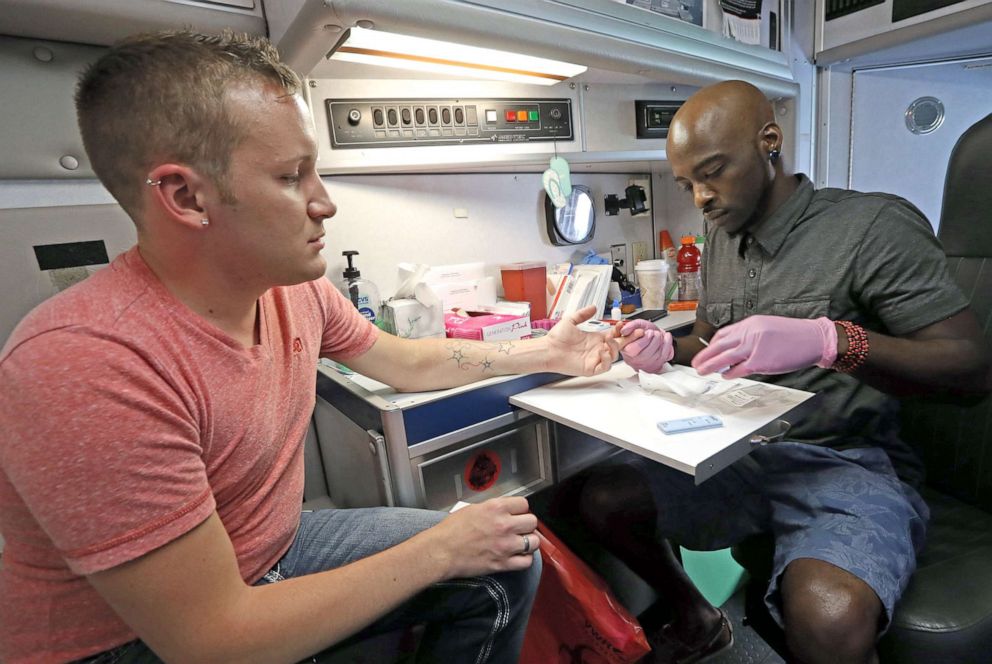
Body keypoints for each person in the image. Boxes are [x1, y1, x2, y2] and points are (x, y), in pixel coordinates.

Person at [0, 31, 631, 664]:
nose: (324, 202)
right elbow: (212, 641)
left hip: (267, 548)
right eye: (290, 175)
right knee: (462, 548)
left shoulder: (288, 292)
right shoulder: (86, 365)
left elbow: (406, 360)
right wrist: (438, 549)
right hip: (126, 640)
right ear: (187, 197)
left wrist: (548, 353)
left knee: (507, 557)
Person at [575, 80, 990, 664]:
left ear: (768, 142)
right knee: (601, 499)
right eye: (687, 183)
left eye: (713, 172)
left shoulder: (872, 226)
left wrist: (830, 340)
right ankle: (696, 616)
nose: (701, 197)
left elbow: (971, 369)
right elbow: (714, 341)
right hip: (741, 452)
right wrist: (664, 347)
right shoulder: (722, 235)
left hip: (847, 459)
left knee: (829, 618)